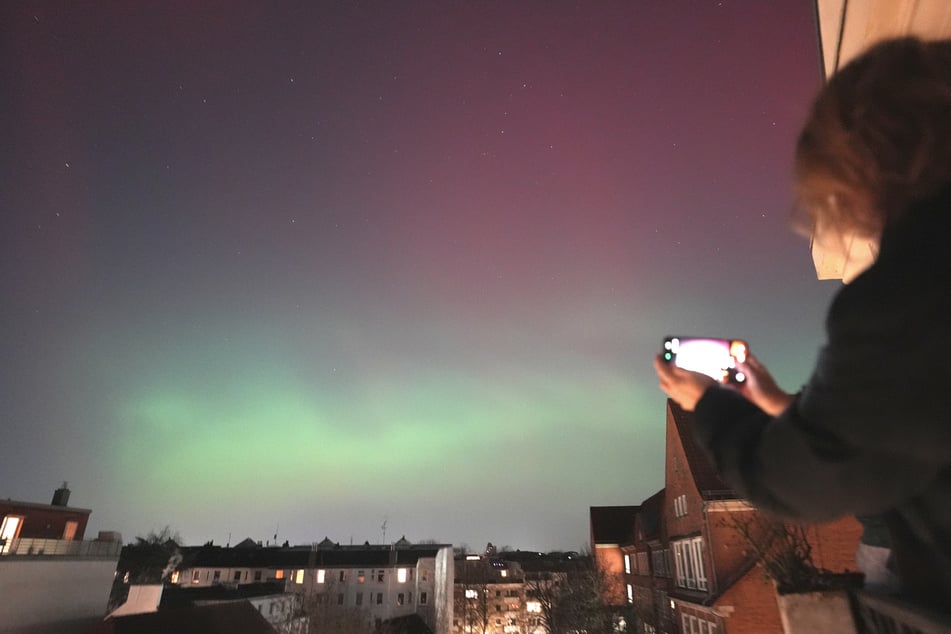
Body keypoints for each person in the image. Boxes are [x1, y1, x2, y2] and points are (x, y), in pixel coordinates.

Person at [655, 36, 951, 609]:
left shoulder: (910, 290)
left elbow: (804, 482)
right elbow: (882, 434)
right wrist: (774, 402)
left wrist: (708, 406)